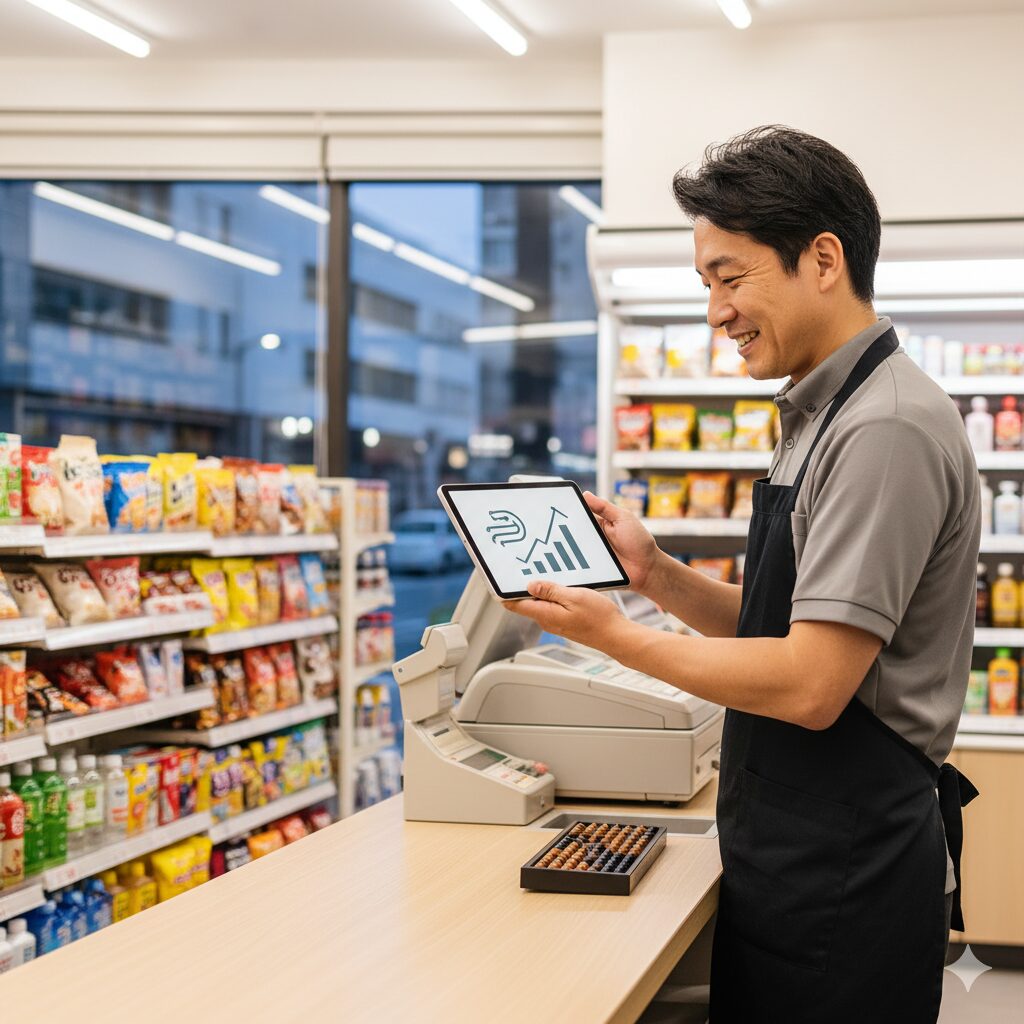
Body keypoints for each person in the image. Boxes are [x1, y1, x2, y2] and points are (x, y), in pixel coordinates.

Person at [505, 126, 979, 1023]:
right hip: (800, 852)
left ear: (823, 258)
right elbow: (788, 627)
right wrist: (654, 576)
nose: (716, 312)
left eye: (731, 277)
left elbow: (809, 684)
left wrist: (618, 639)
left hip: (846, 872)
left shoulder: (883, 426)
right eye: (707, 285)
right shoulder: (821, 411)